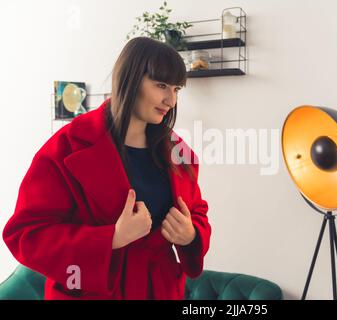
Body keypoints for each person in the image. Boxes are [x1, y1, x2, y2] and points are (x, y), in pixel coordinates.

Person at [2, 37, 211, 300]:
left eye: (176, 89)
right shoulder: (67, 147)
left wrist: (191, 234)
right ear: (131, 79)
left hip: (160, 290)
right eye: (161, 85)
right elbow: (26, 234)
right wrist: (111, 238)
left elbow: (197, 210)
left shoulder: (178, 153)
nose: (170, 99)